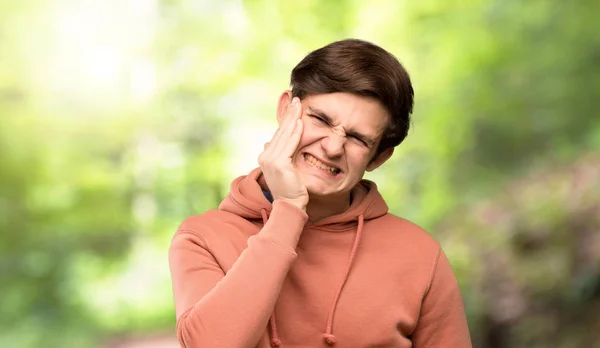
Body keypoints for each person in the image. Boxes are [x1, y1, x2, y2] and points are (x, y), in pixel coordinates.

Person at [169, 38, 472, 348]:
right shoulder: (202, 237)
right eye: (320, 119)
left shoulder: (419, 254)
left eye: (357, 138)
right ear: (287, 109)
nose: (332, 147)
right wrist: (288, 210)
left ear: (378, 158)